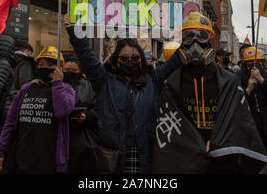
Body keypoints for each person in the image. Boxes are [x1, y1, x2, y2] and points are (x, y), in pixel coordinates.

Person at [64, 14, 183, 174]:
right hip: (111, 154)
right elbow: (86, 55)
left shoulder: (152, 81)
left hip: (144, 153)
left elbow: (174, 62)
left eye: (135, 58)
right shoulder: (104, 80)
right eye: (124, 58)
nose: (130, 62)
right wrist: (74, 30)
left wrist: (194, 37)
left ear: (142, 60)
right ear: (115, 60)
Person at [153, 13, 267, 174]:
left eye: (201, 36)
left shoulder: (229, 82)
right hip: (186, 160)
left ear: (210, 39)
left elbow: (238, 121)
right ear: (182, 43)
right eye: (188, 37)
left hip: (222, 160)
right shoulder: (172, 84)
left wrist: (217, 141)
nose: (195, 43)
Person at [0, 47, 75, 174]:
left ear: (60, 68)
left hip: (50, 162)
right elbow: (10, 121)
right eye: (41, 64)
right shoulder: (26, 89)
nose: (44, 68)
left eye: (50, 64)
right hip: (22, 157)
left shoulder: (66, 89)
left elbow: (62, 111)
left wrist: (57, 83)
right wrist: (1, 151)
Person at [63, 54, 100, 174]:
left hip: (82, 137)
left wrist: (86, 116)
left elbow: (98, 109)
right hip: (60, 134)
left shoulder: (89, 86)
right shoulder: (56, 85)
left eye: (74, 70)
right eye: (67, 70)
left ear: (80, 70)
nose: (70, 72)